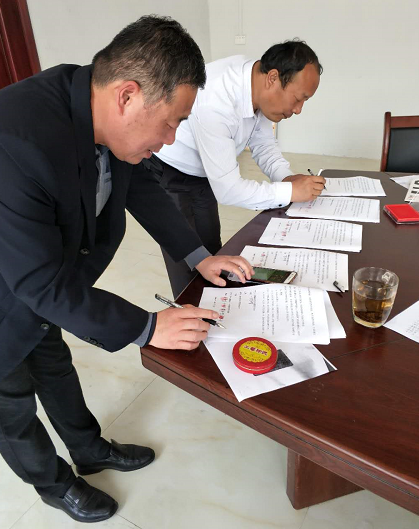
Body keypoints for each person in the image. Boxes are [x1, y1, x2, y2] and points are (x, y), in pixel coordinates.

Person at [0, 15, 253, 523]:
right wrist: (147, 327)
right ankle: (53, 485)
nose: (171, 139)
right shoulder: (15, 139)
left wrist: (200, 256)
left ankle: (88, 448)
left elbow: (141, 187)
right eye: (172, 122)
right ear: (128, 96)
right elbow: (38, 282)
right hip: (12, 286)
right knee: (11, 402)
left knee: (53, 362)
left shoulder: (96, 106)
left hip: (45, 277)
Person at [150, 40, 326, 298]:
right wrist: (289, 191)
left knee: (214, 254)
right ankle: (190, 313)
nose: (298, 110)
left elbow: (263, 144)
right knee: (188, 264)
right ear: (273, 78)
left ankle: (217, 306)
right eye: (298, 99)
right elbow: (229, 190)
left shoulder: (257, 83)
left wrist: (287, 178)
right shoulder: (216, 99)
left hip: (204, 173)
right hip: (170, 171)